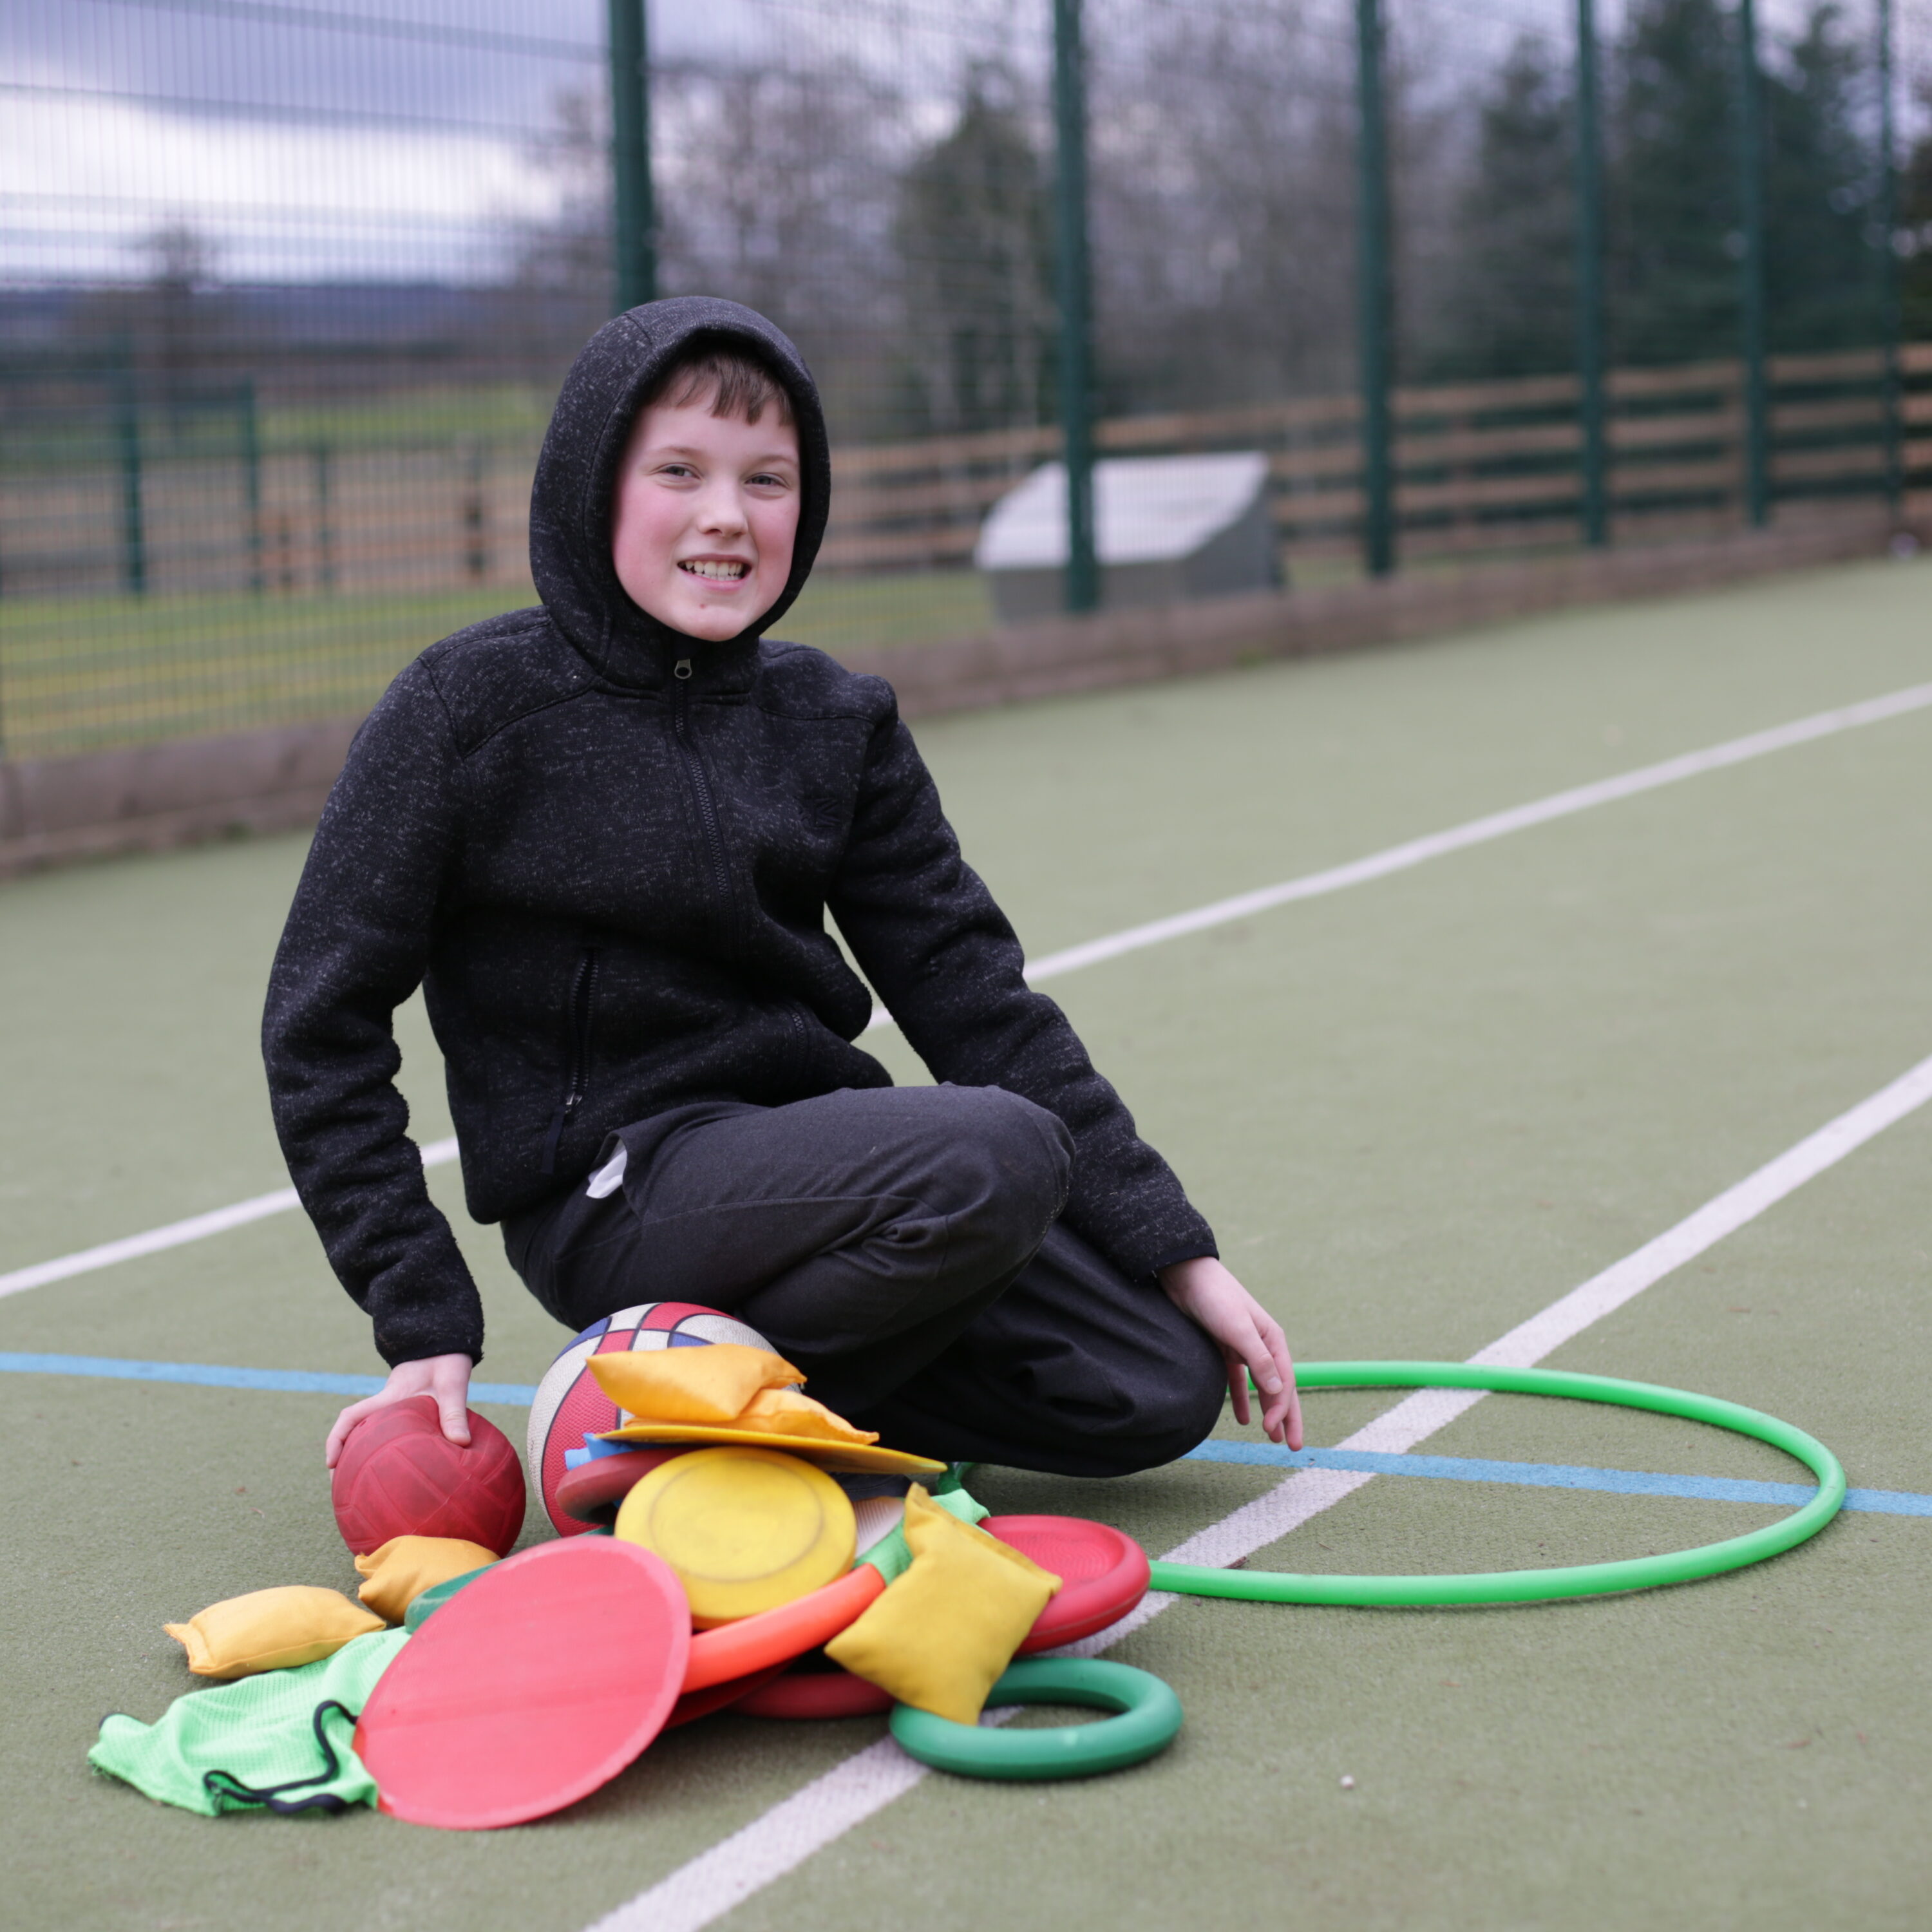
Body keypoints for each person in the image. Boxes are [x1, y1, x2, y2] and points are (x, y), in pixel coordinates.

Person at [263, 296, 1302, 1482]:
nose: (727, 514)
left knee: (1154, 1385)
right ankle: (655, 1418)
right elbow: (320, 1026)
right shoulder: (466, 710)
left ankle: (729, 1408)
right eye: (679, 470)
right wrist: (422, 1318)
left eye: (768, 480)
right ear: (591, 484)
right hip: (613, 1196)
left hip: (806, 1179)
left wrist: (1177, 1252)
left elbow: (974, 994)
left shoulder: (835, 718)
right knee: (997, 1156)